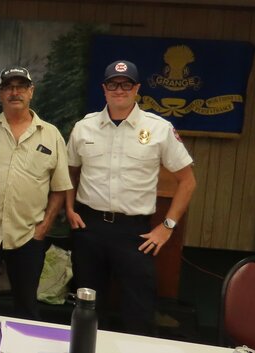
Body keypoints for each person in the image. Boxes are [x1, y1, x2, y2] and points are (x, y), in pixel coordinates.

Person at [65, 60, 196, 336]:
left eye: (126, 84)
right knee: (87, 307)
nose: (119, 89)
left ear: (136, 88)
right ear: (104, 88)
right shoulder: (84, 127)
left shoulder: (159, 129)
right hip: (89, 228)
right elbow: (70, 173)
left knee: (138, 309)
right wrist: (68, 207)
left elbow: (188, 181)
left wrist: (167, 227)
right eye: (113, 84)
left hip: (134, 232)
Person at [0, 66, 72, 320]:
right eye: (8, 87)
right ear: (0, 93)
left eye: (21, 87)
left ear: (31, 92)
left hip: (29, 236)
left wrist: (45, 226)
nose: (15, 92)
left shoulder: (51, 135)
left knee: (26, 304)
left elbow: (60, 187)